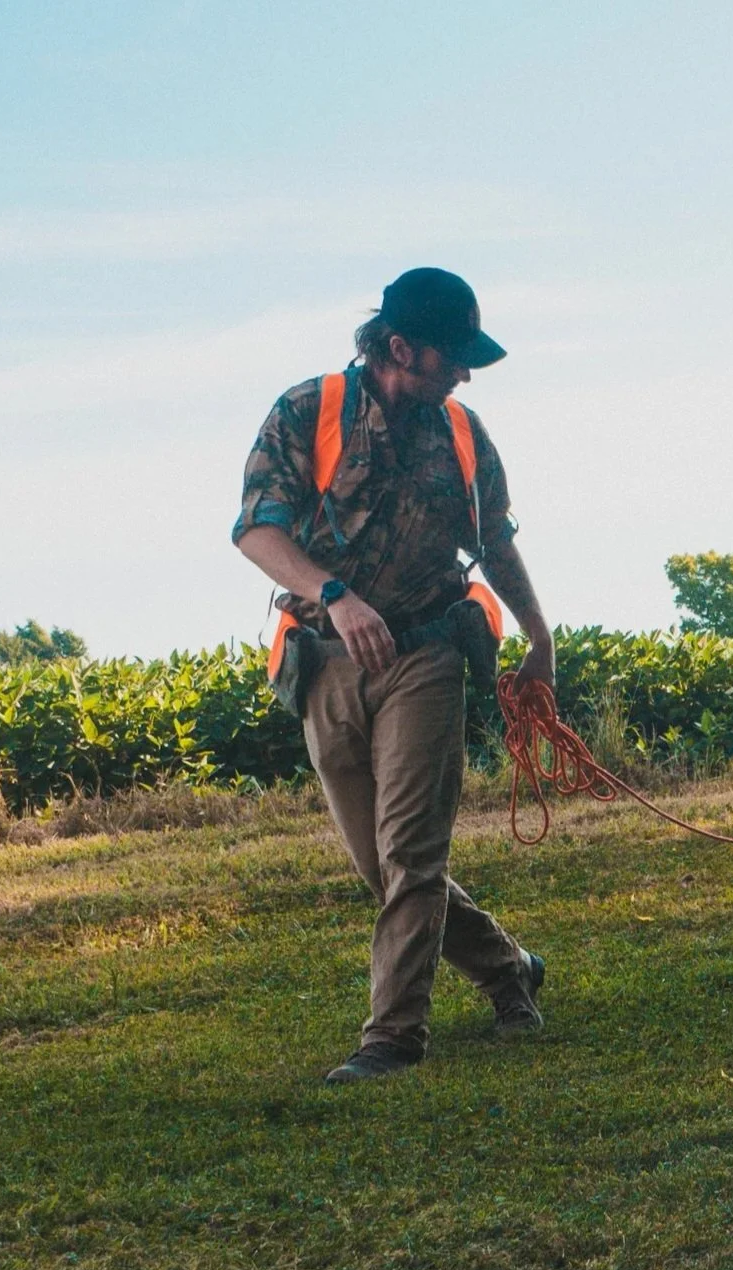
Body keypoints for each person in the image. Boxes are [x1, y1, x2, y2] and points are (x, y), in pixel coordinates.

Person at [232, 268, 556, 1084]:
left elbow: (496, 541)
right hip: (326, 662)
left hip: (427, 654)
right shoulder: (307, 412)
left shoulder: (464, 433)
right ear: (400, 348)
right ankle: (508, 967)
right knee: (381, 867)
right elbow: (257, 532)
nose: (465, 374)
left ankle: (394, 1039)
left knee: (411, 854)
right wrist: (334, 596)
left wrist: (539, 634)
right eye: (453, 355)